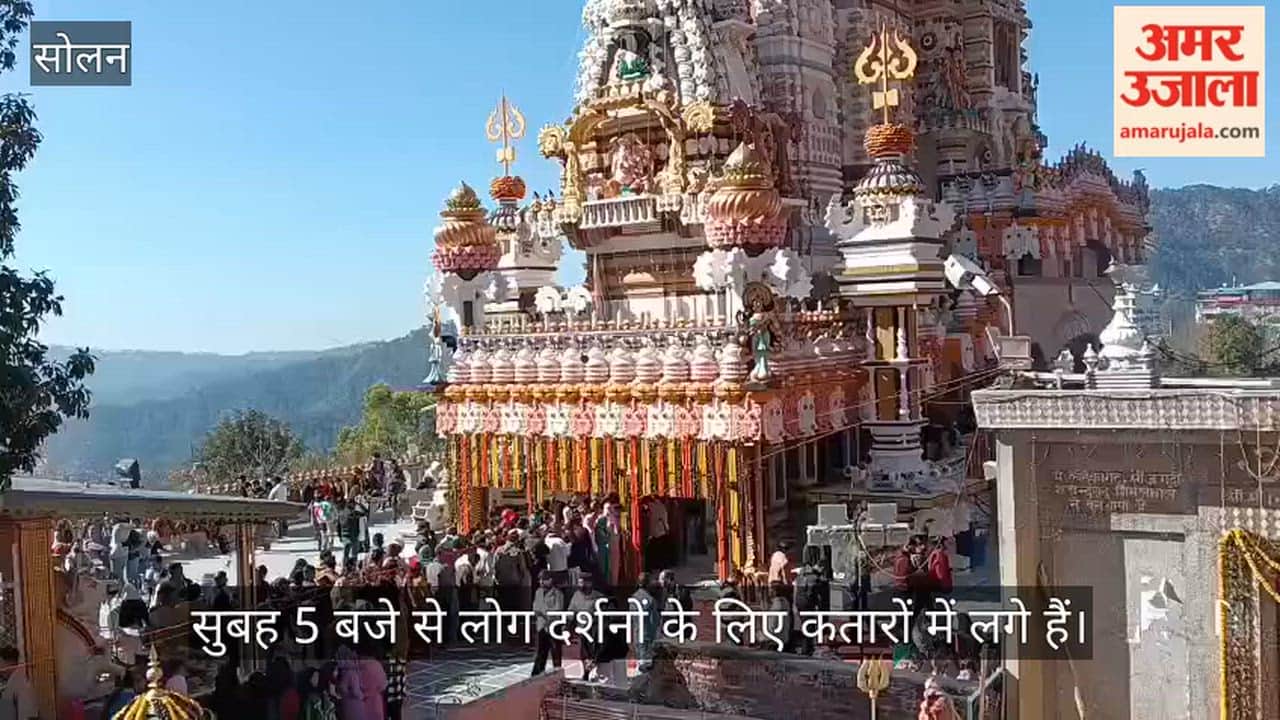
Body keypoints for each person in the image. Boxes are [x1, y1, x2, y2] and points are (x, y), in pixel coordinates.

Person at [567, 574, 604, 680]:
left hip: (595, 631)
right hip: (582, 630)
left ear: (589, 583)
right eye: (579, 582)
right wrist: (567, 627)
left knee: (595, 654)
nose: (580, 585)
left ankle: (595, 673)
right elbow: (571, 612)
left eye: (582, 582)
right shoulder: (576, 595)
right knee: (583, 654)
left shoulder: (599, 597)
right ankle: (586, 673)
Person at [793, 547, 829, 656]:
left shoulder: (802, 572)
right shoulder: (813, 575)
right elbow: (816, 592)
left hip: (800, 602)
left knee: (806, 624)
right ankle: (807, 649)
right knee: (809, 625)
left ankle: (807, 647)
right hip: (807, 602)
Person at [530, 571, 564, 676]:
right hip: (541, 626)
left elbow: (557, 610)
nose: (541, 582)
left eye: (543, 580)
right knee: (540, 652)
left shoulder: (558, 594)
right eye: (540, 580)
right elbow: (535, 608)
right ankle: (537, 674)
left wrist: (544, 613)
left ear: (550, 580)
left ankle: (558, 675)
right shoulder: (538, 592)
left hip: (553, 626)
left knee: (556, 652)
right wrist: (544, 613)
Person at [494, 529, 531, 611]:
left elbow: (495, 566)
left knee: (503, 606)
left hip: (502, 582)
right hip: (514, 583)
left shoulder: (499, 550)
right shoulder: (518, 552)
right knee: (514, 607)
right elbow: (523, 568)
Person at [629, 573, 660, 672]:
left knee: (639, 664)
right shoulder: (650, 600)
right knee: (646, 666)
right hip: (647, 636)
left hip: (636, 635)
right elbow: (654, 621)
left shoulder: (633, 598)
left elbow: (631, 619)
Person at [0, 647, 37, 720]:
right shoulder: (11, 684)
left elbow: (27, 716)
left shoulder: (22, 684)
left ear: (10, 662)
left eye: (0, 662)